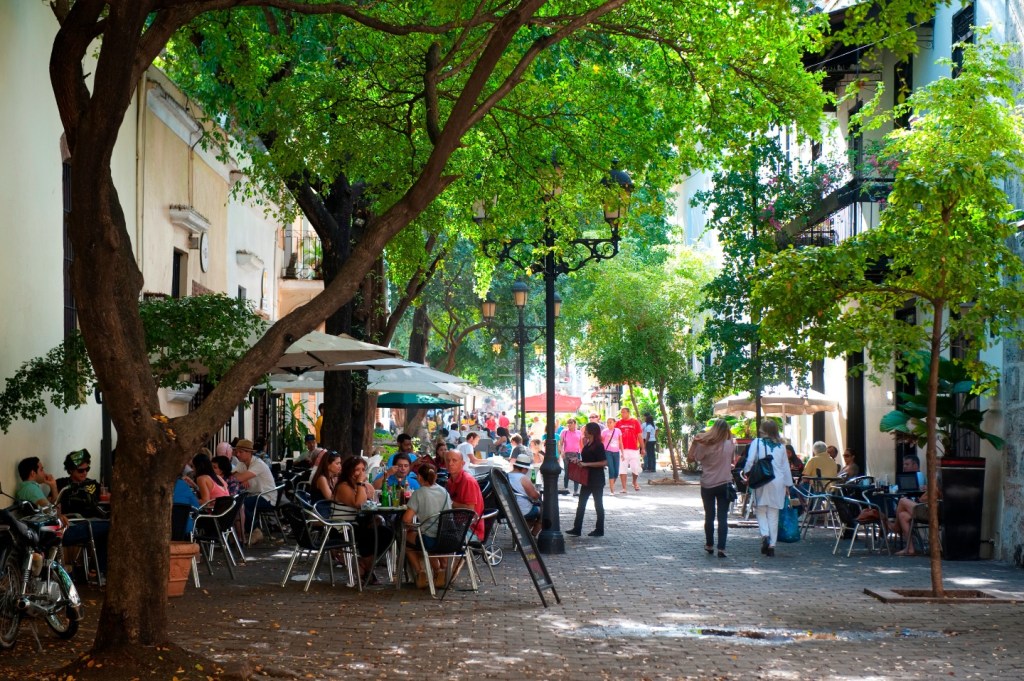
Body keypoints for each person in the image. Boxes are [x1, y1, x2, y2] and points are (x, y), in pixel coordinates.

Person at [332, 456, 394, 577]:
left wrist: (367, 487)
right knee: (368, 536)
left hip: (360, 525)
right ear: (349, 471)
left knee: (387, 533)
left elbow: (372, 503)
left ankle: (365, 565)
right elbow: (359, 504)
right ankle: (368, 569)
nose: (361, 473)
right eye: (357, 470)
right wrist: (361, 483)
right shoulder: (343, 486)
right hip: (342, 528)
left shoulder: (362, 486)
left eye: (363, 469)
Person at [54, 449, 111, 573]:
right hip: (74, 524)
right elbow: (53, 506)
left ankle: (97, 570)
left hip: (93, 522)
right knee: (109, 527)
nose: (84, 473)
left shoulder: (93, 484)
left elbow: (105, 497)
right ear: (70, 470)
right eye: (80, 470)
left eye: (87, 469)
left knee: (108, 527)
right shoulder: (61, 484)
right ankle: (99, 570)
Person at [742, 421, 794, 557]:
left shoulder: (757, 442)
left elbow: (750, 461)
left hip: (762, 480)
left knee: (760, 509)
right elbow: (785, 467)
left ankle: (764, 534)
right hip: (778, 482)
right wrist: (788, 484)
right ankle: (772, 544)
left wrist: (747, 473)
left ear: (763, 430)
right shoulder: (781, 446)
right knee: (773, 513)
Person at [687, 420, 735, 558]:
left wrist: (695, 443)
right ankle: (722, 548)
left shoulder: (704, 446)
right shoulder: (729, 445)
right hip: (724, 483)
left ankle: (709, 544)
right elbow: (731, 459)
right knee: (722, 517)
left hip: (708, 484)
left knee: (709, 516)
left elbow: (690, 459)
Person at [402, 463, 452, 588]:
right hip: (447, 537)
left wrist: (413, 525)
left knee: (407, 540)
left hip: (429, 539)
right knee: (426, 540)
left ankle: (420, 572)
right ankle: (438, 571)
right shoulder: (444, 491)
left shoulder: (419, 493)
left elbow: (406, 519)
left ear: (419, 477)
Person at [566, 421, 608, 537]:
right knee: (581, 504)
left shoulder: (598, 445)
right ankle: (577, 528)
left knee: (598, 504)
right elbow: (586, 460)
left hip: (596, 479)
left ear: (591, 432)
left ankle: (599, 529)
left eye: (586, 430)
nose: (583, 431)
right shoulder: (588, 444)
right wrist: (579, 462)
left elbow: (604, 462)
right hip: (587, 479)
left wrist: (586, 464)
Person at [233, 438, 278, 541]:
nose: (237, 454)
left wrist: (242, 478)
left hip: (266, 497)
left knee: (241, 505)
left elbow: (237, 477)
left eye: (240, 452)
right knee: (237, 502)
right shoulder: (242, 463)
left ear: (249, 453)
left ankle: (255, 531)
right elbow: (233, 474)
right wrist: (243, 478)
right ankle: (241, 532)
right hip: (252, 494)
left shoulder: (258, 464)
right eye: (237, 451)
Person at [443, 449, 485, 540]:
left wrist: (449, 502)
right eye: (448, 460)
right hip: (456, 525)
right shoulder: (450, 481)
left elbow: (470, 509)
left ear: (462, 463)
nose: (450, 463)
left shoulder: (468, 481)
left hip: (470, 530)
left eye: (454, 460)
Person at [509, 452, 542, 536]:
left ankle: (525, 532)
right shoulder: (523, 478)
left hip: (510, 510)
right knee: (545, 512)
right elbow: (535, 496)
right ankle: (532, 536)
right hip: (523, 510)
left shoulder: (506, 476)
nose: (527, 471)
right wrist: (537, 492)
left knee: (531, 517)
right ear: (523, 468)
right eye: (527, 469)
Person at [615, 407, 643, 492]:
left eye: (624, 412)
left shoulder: (635, 422)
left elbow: (639, 435)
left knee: (635, 467)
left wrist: (643, 448)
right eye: (621, 412)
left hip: (634, 449)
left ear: (628, 413)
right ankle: (624, 488)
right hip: (622, 450)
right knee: (622, 468)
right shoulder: (618, 423)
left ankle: (634, 482)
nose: (622, 414)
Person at [559, 418, 583, 496]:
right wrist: (562, 452)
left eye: (571, 423)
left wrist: (582, 453)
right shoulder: (564, 432)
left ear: (575, 424)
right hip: (567, 454)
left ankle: (576, 491)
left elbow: (581, 444)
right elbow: (561, 443)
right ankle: (566, 489)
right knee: (567, 472)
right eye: (568, 423)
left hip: (576, 453)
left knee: (576, 472)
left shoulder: (579, 432)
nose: (569, 424)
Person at [602, 417, 623, 495]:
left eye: (610, 422)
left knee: (616, 472)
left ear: (614, 423)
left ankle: (611, 484)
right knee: (611, 470)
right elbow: (601, 441)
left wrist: (623, 453)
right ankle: (612, 491)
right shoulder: (604, 431)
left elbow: (620, 442)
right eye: (607, 422)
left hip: (616, 452)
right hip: (608, 452)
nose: (609, 424)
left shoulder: (618, 431)